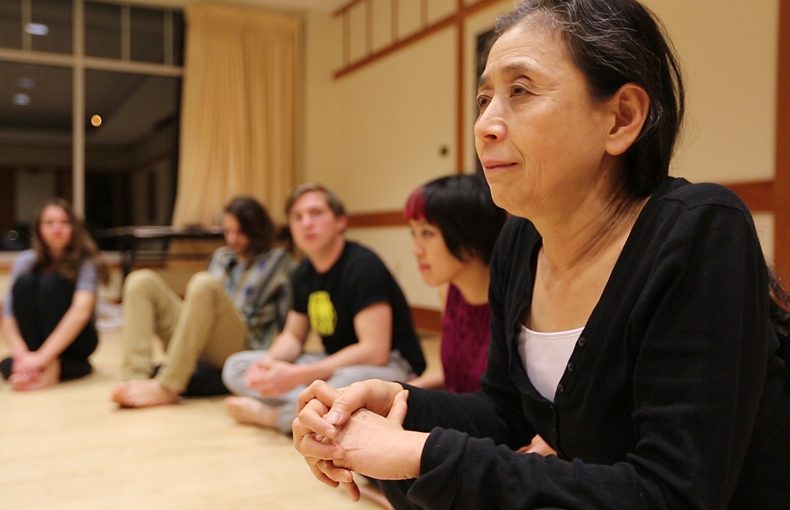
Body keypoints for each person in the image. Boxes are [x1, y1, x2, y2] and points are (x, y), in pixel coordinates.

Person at [292, 1, 790, 509]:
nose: (485, 123)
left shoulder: (698, 230)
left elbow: (674, 494)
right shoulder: (519, 243)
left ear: (621, 118)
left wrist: (422, 452)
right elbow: (506, 414)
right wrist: (399, 403)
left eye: (520, 90)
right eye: (483, 98)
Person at [221, 183, 427, 435]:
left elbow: (375, 350)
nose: (306, 223)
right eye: (297, 217)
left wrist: (299, 375)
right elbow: (293, 336)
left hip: (391, 364)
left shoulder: (363, 265)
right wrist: (269, 365)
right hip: (335, 362)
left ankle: (275, 416)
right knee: (236, 366)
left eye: (316, 213)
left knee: (340, 386)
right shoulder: (303, 272)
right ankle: (318, 408)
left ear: (340, 221)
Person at [110, 196, 292, 408]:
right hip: (201, 338)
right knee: (140, 281)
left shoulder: (280, 262)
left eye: (240, 232)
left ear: (257, 230)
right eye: (228, 231)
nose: (232, 239)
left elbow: (289, 326)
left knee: (203, 283)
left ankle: (169, 386)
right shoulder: (221, 257)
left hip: (243, 345)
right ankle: (135, 376)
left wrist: (273, 365)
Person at [404, 173, 505, 393]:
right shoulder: (448, 290)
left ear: (467, 234)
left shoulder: (511, 300)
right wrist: (400, 390)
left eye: (427, 233)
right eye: (414, 234)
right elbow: (456, 378)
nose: (416, 249)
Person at [1, 199, 109, 390]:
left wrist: (42, 359)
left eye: (64, 222)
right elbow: (8, 313)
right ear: (39, 229)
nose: (57, 228)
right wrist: (23, 356)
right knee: (25, 283)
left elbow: (80, 312)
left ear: (73, 228)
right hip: (36, 344)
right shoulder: (25, 260)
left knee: (51, 283)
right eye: (49, 223)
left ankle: (52, 365)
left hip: (77, 342)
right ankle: (50, 368)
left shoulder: (85, 262)